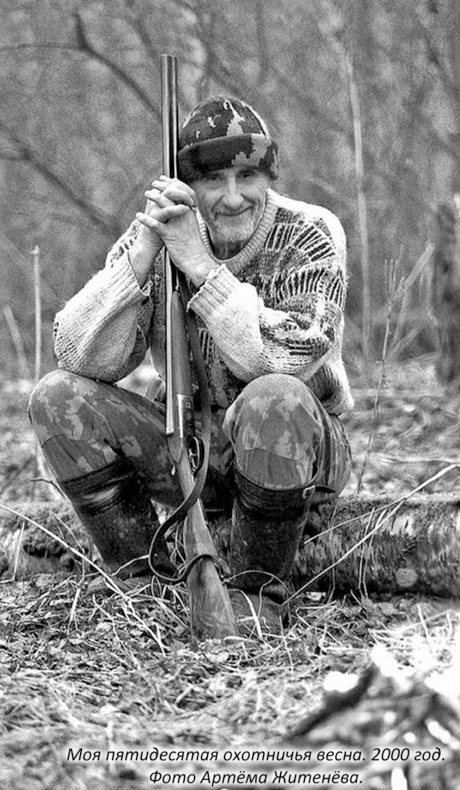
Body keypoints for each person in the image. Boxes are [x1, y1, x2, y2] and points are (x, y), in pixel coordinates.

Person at [29, 95, 353, 623]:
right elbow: (76, 353)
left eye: (247, 176)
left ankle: (257, 596)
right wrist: (142, 256)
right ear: (188, 187)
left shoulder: (311, 233)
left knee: (274, 398)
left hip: (299, 452)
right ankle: (140, 585)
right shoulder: (163, 231)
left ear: (268, 176)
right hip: (193, 446)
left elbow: (283, 361)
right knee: (56, 397)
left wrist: (202, 268)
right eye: (212, 181)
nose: (232, 197)